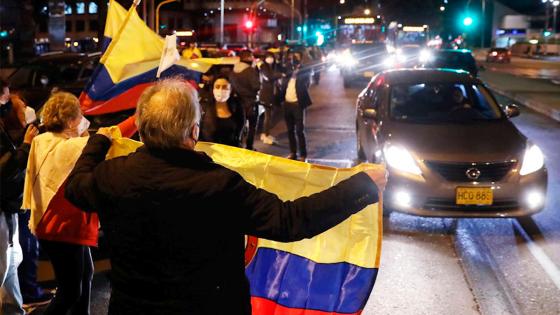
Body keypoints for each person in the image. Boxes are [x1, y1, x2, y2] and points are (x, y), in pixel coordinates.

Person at [64, 78, 387, 315]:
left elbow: (75, 186)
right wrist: (362, 186)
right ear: (193, 132)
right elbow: (291, 221)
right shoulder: (219, 185)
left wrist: (99, 143)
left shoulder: (112, 176)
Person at [22, 92, 97, 315]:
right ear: (71, 120)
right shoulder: (69, 147)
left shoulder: (42, 140)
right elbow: (101, 144)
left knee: (86, 274)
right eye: (79, 115)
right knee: (70, 291)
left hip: (56, 223)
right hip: (61, 226)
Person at [1, 79, 38, 315]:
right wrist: (25, 146)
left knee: (12, 261)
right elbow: (4, 167)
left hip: (8, 205)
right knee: (4, 263)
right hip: (2, 206)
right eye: (4, 98)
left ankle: (14, 309)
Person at [281, 51, 312, 161]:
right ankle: (293, 152)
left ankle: (303, 155)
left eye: (296, 57)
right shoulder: (288, 69)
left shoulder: (305, 70)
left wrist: (297, 71)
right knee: (290, 130)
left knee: (299, 131)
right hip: (287, 104)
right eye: (292, 57)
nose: (294, 59)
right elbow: (282, 81)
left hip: (297, 105)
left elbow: (306, 82)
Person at [199, 76, 244, 147]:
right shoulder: (204, 107)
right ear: (213, 89)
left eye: (224, 87)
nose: (220, 90)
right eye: (217, 86)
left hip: (230, 152)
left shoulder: (236, 106)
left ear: (230, 89)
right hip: (209, 151)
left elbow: (240, 128)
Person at [229, 50, 260, 150]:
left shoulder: (233, 70)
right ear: (248, 57)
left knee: (240, 125)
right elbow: (257, 86)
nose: (253, 58)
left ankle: (238, 145)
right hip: (250, 103)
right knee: (252, 126)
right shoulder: (250, 70)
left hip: (238, 103)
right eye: (251, 56)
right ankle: (249, 146)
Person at [258, 52, 283, 145]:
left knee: (270, 115)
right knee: (268, 116)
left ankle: (266, 133)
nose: (270, 59)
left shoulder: (273, 67)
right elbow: (269, 77)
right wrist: (280, 75)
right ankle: (265, 134)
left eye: (271, 57)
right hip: (266, 95)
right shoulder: (263, 67)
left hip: (271, 94)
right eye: (268, 57)